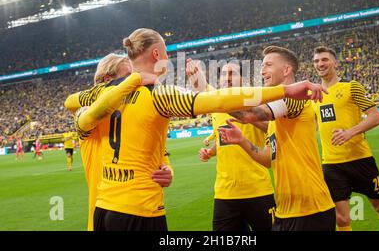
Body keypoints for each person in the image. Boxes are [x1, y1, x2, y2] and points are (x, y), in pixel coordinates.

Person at [66, 28, 326, 231]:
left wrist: (166, 165)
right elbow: (217, 101)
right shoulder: (161, 95)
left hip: (102, 207)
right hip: (139, 209)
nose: (168, 58)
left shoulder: (103, 92)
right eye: (166, 52)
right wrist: (287, 89)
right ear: (156, 54)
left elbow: (71, 103)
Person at [218, 46, 336, 231]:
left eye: (268, 65)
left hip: (311, 209)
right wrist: (242, 141)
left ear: (286, 70)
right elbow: (268, 159)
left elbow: (250, 115)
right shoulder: (276, 117)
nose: (262, 70)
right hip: (285, 211)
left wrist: (207, 99)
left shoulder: (297, 97)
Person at [65, 53, 173, 231]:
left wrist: (168, 170)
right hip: (104, 215)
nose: (135, 81)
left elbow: (159, 150)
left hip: (141, 212)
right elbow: (70, 102)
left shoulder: (134, 115)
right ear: (108, 80)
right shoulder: (89, 117)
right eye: (128, 76)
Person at [312, 46, 379, 231]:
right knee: (342, 219)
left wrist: (350, 132)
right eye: (316, 61)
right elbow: (313, 126)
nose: (320, 64)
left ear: (335, 62)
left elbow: (376, 116)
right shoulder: (314, 95)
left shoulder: (352, 87)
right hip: (331, 164)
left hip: (360, 160)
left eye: (324, 59)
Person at [187, 59, 275, 231]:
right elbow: (223, 139)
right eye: (223, 75)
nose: (226, 78)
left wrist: (247, 116)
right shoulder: (215, 102)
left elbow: (270, 128)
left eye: (232, 74)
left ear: (243, 79)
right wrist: (211, 152)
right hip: (225, 193)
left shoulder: (256, 100)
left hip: (257, 189)